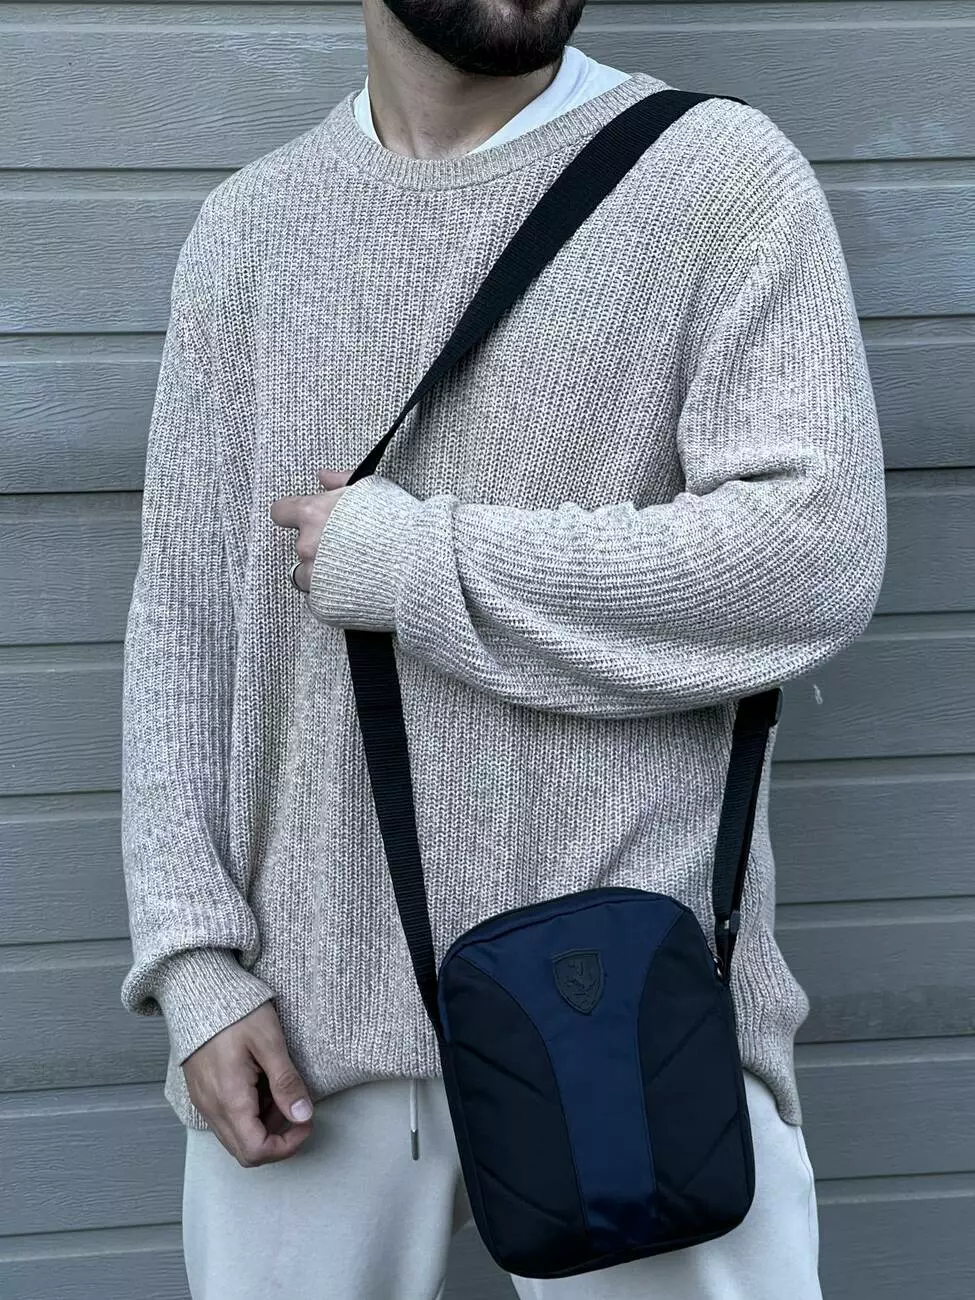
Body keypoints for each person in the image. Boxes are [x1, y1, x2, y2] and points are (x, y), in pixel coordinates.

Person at [119, 0, 888, 1296]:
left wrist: (423, 564)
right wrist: (195, 962)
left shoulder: (716, 177)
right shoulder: (251, 231)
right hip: (305, 1028)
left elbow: (811, 553)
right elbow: (187, 628)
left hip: (634, 1010)